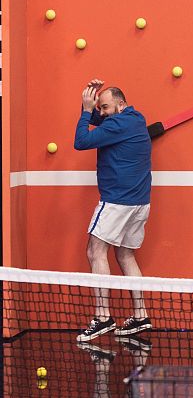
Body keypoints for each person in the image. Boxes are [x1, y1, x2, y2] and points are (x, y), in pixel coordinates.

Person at [74, 79, 153, 342]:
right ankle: (140, 315)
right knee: (126, 255)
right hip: (139, 201)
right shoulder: (135, 119)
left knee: (94, 250)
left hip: (117, 201)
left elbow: (82, 141)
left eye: (105, 107)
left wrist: (86, 111)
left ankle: (102, 317)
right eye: (100, 108)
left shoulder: (117, 124)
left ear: (120, 105)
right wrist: (93, 100)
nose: (102, 113)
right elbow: (103, 121)